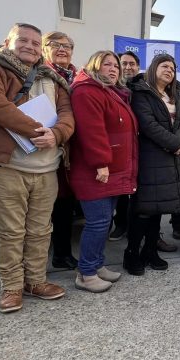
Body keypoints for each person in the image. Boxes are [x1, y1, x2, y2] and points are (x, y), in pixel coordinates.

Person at [0, 23, 75, 313]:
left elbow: (67, 112)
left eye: (35, 43)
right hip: (8, 167)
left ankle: (36, 281)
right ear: (7, 41)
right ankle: (12, 286)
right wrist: (37, 129)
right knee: (11, 231)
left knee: (41, 230)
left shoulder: (51, 76)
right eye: (23, 40)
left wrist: (58, 134)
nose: (30, 46)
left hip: (46, 167)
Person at [68, 51, 137, 292]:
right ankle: (85, 273)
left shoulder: (110, 91)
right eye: (107, 64)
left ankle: (96, 265)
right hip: (97, 170)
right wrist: (100, 163)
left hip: (113, 169)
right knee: (97, 222)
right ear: (94, 66)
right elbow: (91, 131)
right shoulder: (86, 90)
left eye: (116, 65)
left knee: (104, 221)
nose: (113, 69)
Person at [124, 54, 180, 275]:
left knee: (158, 209)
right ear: (153, 68)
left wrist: (178, 142)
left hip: (171, 159)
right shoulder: (142, 92)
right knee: (143, 210)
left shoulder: (174, 95)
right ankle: (132, 253)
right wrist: (174, 143)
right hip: (151, 158)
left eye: (172, 67)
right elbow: (148, 124)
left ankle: (151, 251)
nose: (169, 70)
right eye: (164, 66)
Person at [42, 31, 78, 270]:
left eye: (66, 45)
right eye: (55, 45)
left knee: (65, 206)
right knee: (43, 210)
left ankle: (62, 253)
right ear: (45, 49)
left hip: (71, 151)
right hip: (44, 147)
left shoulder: (77, 76)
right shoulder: (40, 74)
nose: (62, 49)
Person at [108, 51, 141, 242]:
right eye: (124, 64)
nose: (128, 67)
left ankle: (137, 226)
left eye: (132, 64)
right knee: (119, 190)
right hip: (119, 146)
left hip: (140, 145)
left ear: (137, 66)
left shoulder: (144, 87)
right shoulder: (111, 87)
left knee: (139, 191)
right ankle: (120, 224)